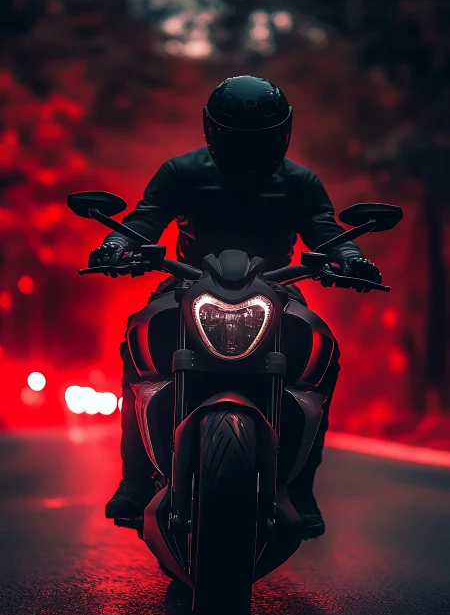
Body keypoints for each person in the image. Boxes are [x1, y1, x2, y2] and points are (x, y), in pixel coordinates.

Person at [89, 75, 382, 539]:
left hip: (277, 288)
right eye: (237, 138)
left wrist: (352, 259)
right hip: (187, 283)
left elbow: (326, 231)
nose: (247, 149)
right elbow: (142, 221)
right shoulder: (180, 172)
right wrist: (114, 244)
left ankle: (300, 484)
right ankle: (134, 476)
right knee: (139, 341)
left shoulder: (301, 182)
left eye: (258, 138)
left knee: (322, 352)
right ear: (212, 130)